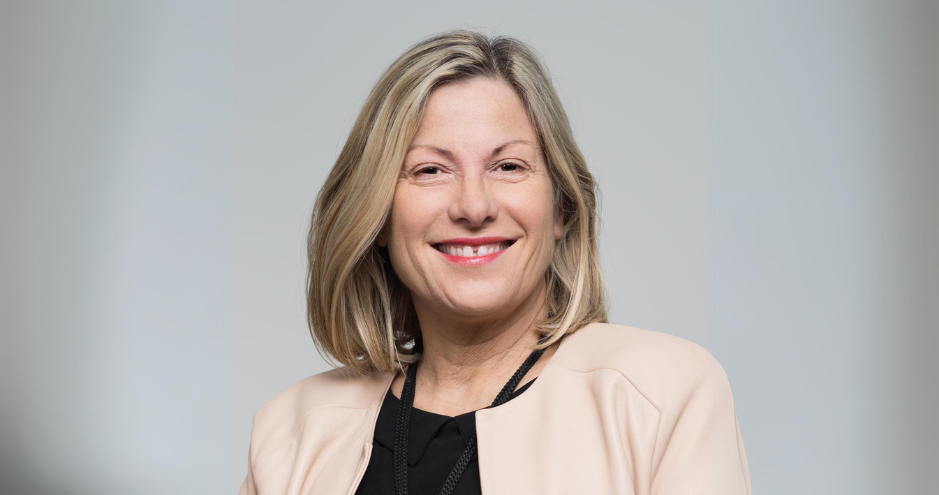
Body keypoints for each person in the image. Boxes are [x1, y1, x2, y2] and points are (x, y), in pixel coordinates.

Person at [238, 30, 751, 495]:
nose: (474, 206)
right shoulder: (290, 432)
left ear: (561, 209)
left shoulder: (660, 396)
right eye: (430, 169)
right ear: (377, 216)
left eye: (508, 166)